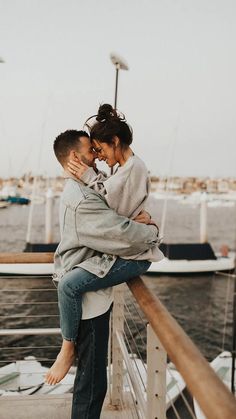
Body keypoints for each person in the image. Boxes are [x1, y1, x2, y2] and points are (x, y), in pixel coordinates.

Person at [46, 129, 162, 418]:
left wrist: (127, 220)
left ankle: (68, 348)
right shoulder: (81, 198)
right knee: (92, 382)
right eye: (91, 151)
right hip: (89, 301)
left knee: (92, 379)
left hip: (92, 291)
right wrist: (151, 232)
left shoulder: (83, 189)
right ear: (75, 156)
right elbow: (121, 234)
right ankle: (67, 347)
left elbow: (112, 218)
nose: (96, 157)